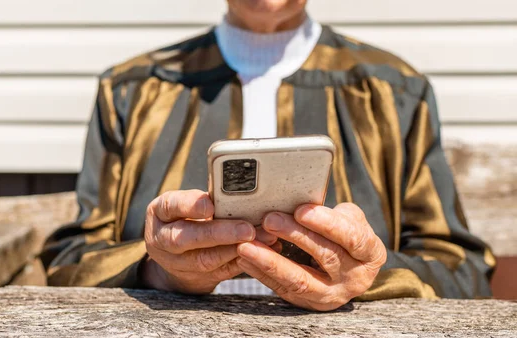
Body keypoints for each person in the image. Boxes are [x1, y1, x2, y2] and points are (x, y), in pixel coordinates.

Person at [40, 0, 495, 311]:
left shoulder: (393, 91)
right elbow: (70, 263)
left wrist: (369, 276)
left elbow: (462, 271)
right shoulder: (133, 91)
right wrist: (159, 270)